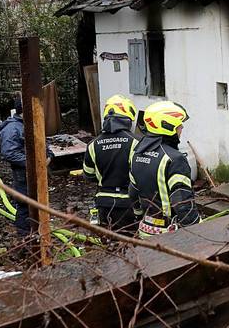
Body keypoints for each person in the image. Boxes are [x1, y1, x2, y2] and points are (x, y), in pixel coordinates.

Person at [128, 101, 199, 237]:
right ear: (168, 125)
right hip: (169, 234)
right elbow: (182, 202)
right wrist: (197, 230)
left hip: (145, 229)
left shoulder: (136, 153)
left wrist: (138, 215)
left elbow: (133, 193)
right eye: (179, 124)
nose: (182, 127)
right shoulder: (175, 159)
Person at [82, 95, 139, 232]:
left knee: (108, 245)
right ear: (128, 118)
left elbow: (88, 175)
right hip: (128, 204)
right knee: (130, 247)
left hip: (103, 204)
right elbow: (140, 174)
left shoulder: (93, 145)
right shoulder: (136, 142)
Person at [0, 98, 52, 236]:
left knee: (39, 204)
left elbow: (43, 145)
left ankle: (39, 234)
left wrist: (49, 156)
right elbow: (9, 153)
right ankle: (25, 239)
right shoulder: (12, 128)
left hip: (38, 174)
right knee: (25, 206)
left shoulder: (32, 124)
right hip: (23, 175)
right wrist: (34, 164)